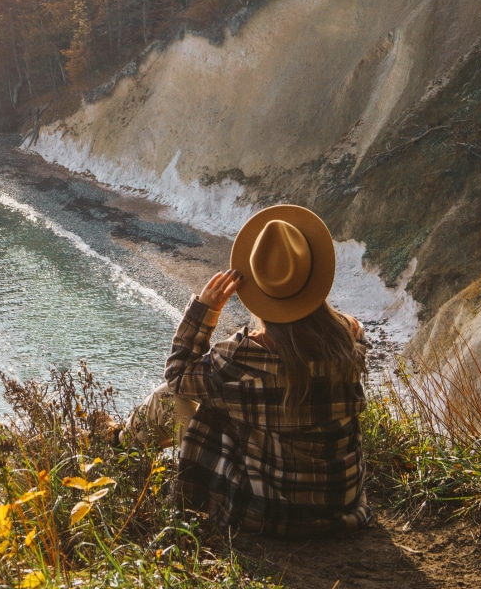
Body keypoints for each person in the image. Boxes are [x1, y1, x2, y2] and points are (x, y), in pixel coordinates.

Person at [124, 204, 371, 536]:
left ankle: (120, 448)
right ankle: (120, 441)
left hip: (268, 512)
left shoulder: (243, 357)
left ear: (255, 288)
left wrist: (205, 311)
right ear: (314, 277)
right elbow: (319, 327)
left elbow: (178, 374)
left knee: (170, 397)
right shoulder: (350, 338)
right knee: (229, 402)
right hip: (341, 502)